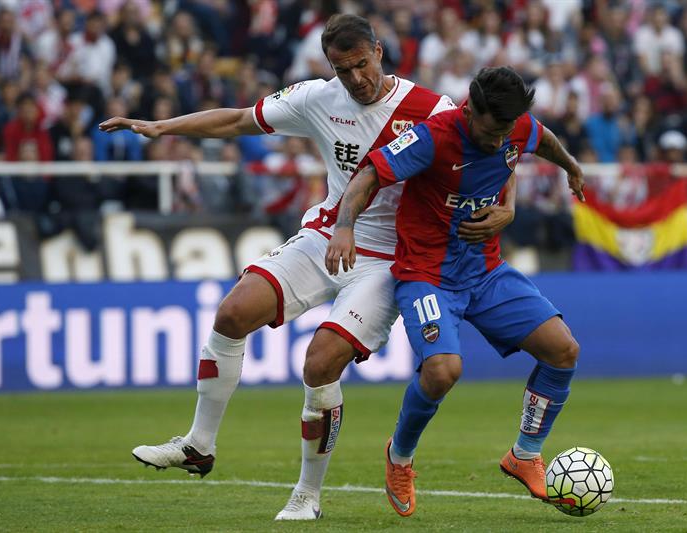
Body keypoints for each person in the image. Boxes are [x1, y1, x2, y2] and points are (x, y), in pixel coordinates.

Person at [98, 14, 512, 521]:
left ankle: (307, 495)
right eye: (343, 70)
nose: (356, 78)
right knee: (232, 313)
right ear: (330, 68)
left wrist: (506, 206)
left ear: (379, 52)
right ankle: (198, 445)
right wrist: (162, 126)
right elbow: (236, 120)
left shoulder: (431, 109)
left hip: (390, 260)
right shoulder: (317, 98)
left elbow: (498, 145)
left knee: (319, 363)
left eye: (362, 64)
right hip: (326, 237)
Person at [325, 67, 584, 517]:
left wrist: (572, 168)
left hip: (484, 271)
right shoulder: (432, 137)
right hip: (426, 274)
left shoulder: (513, 126)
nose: (501, 139)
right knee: (443, 370)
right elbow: (369, 174)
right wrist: (343, 228)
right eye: (492, 129)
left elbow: (543, 139)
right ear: (469, 109)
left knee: (563, 350)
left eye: (507, 130)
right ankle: (399, 456)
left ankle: (524, 454)